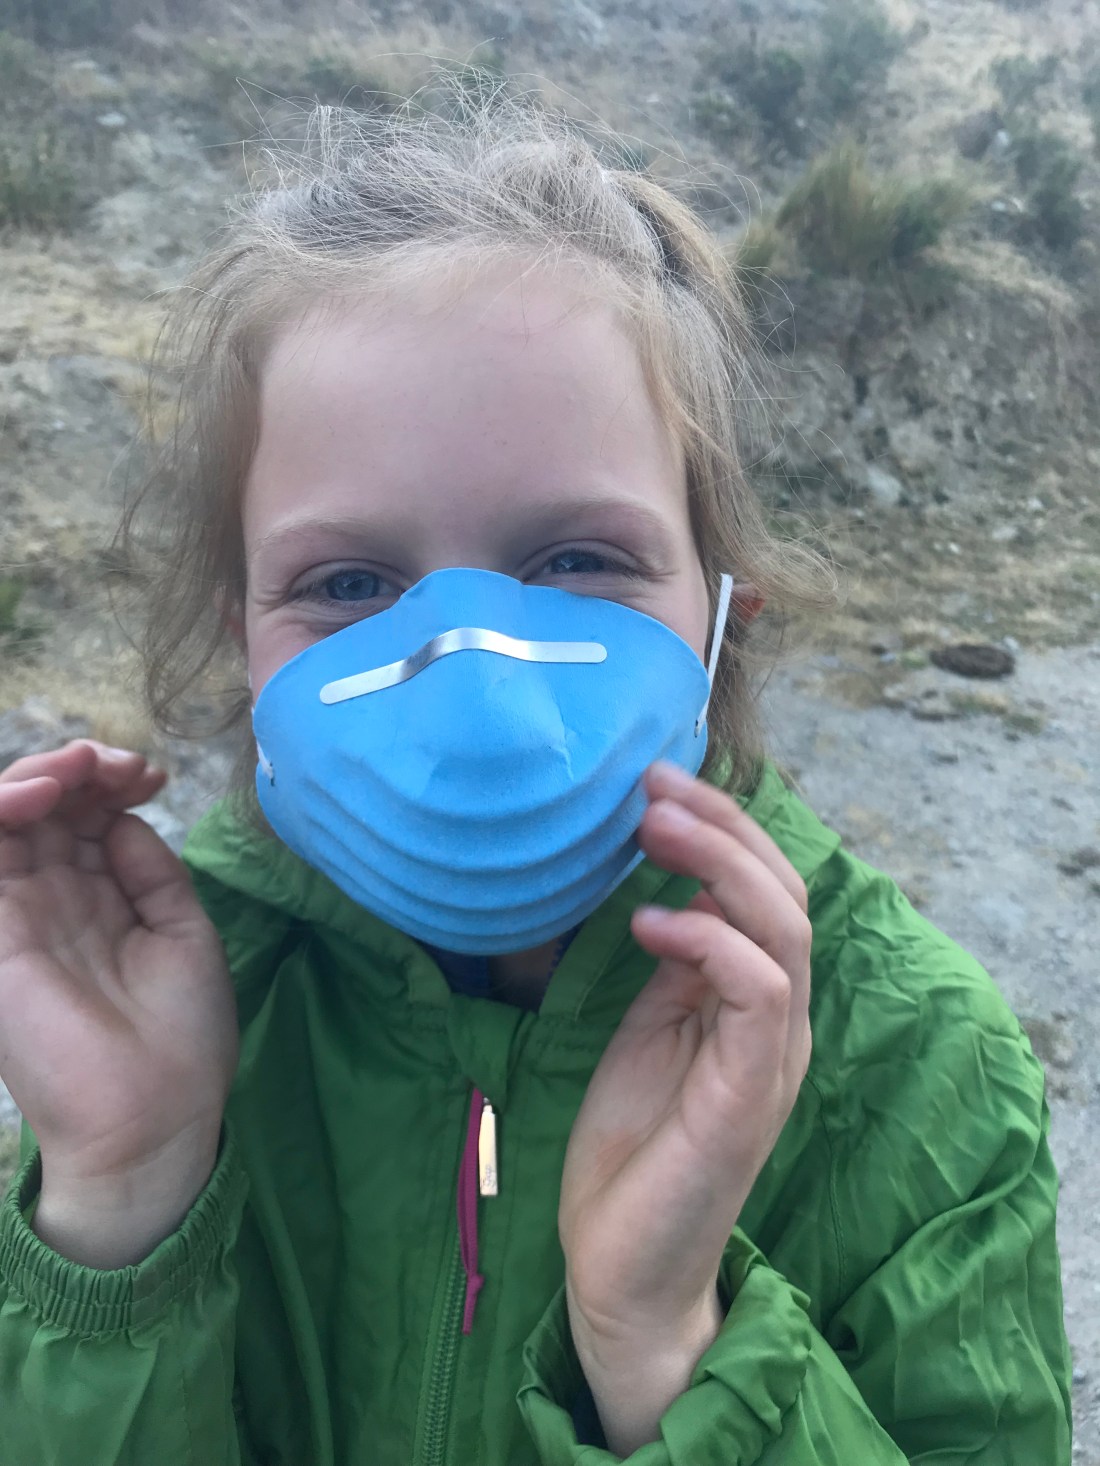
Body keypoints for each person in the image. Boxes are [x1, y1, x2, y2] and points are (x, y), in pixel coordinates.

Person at [0, 95, 1072, 1465]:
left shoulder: (919, 1060)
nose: (480, 693)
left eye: (576, 560)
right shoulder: (182, 1014)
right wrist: (120, 1196)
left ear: (721, 611)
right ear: (245, 642)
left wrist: (665, 1344)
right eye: (350, 583)